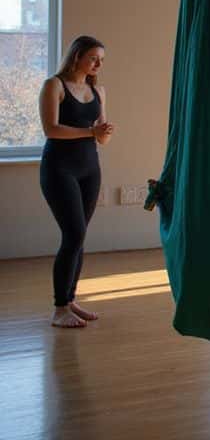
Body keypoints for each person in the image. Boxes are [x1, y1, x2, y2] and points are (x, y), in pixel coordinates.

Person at [39, 35, 113, 328]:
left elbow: (101, 136)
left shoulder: (99, 91)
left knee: (79, 238)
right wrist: (91, 133)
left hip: (89, 169)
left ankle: (70, 300)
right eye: (93, 57)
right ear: (76, 56)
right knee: (73, 236)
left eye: (101, 60)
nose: (98, 64)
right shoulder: (54, 85)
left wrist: (104, 133)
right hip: (59, 170)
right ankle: (59, 309)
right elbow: (51, 130)